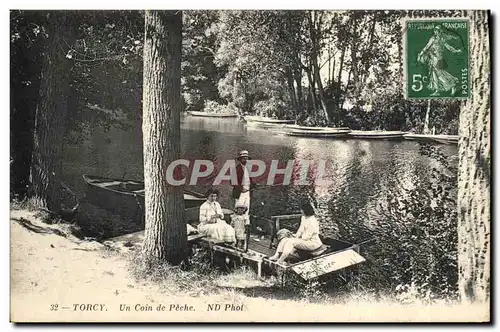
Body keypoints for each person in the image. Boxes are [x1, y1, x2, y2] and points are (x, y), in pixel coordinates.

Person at [417, 25, 462, 97]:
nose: (436, 32)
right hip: (433, 58)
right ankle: (438, 90)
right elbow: (427, 47)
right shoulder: (433, 38)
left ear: (440, 31)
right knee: (435, 73)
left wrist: (456, 51)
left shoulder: (442, 39)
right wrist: (421, 54)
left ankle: (452, 84)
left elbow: (448, 47)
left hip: (438, 58)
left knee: (439, 73)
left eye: (438, 31)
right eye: (435, 30)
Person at [232, 150, 255, 216]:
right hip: (240, 193)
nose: (246, 160)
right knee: (238, 210)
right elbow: (232, 182)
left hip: (248, 192)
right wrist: (241, 189)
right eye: (244, 158)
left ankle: (245, 224)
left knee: (247, 209)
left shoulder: (248, 169)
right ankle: (237, 225)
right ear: (240, 159)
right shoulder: (236, 169)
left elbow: (249, 180)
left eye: (246, 158)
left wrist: (253, 185)